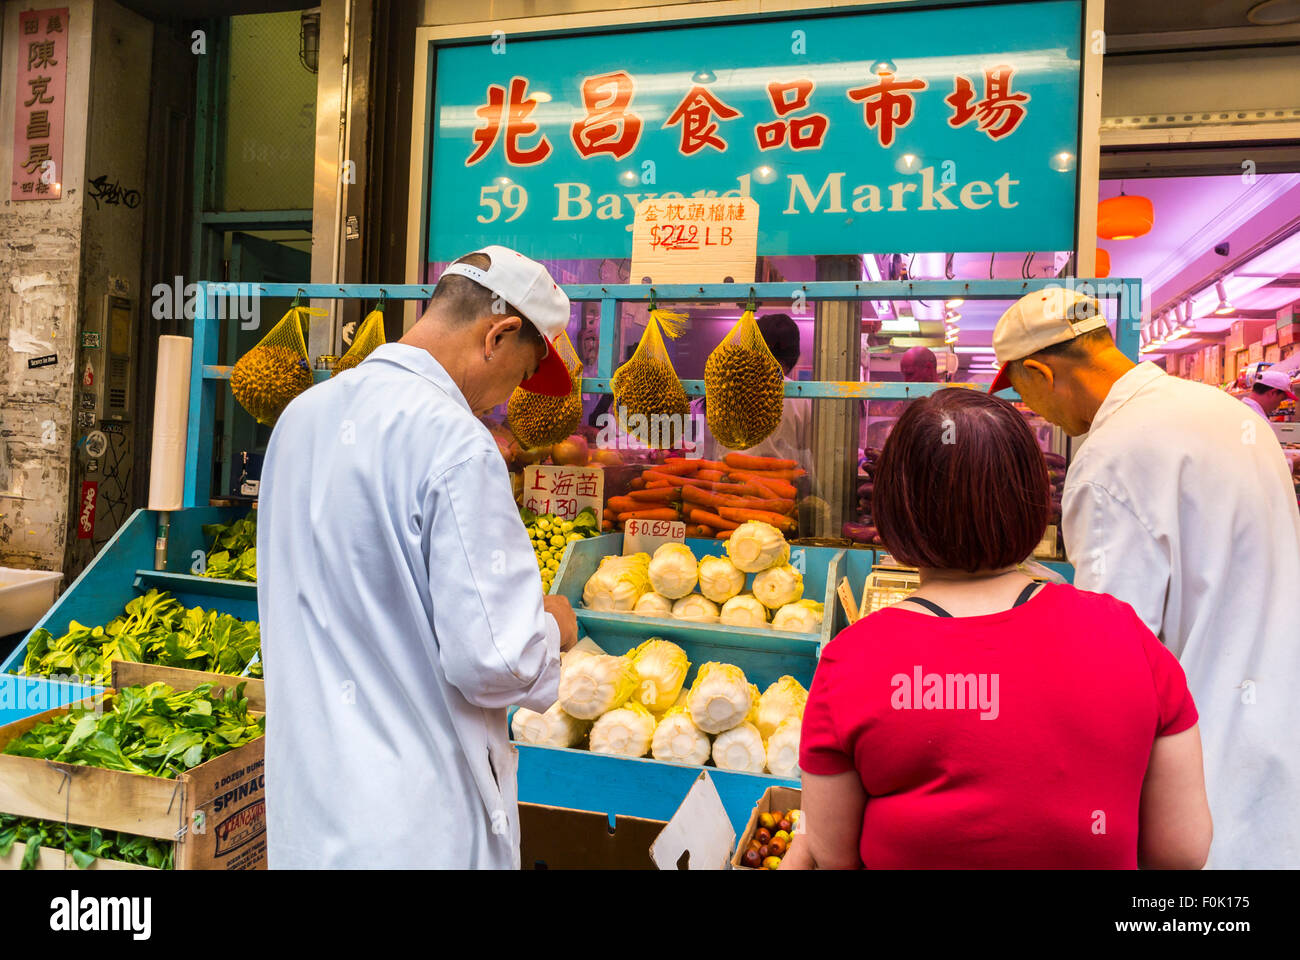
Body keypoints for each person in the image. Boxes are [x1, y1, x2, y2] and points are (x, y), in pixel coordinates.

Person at [784, 388, 1211, 869]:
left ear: (893, 509)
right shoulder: (1127, 635)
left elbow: (833, 856)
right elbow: (1182, 853)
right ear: (1034, 501)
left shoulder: (854, 660)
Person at [257, 245, 579, 868]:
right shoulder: (456, 441)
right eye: (520, 373)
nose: (506, 399)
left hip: (309, 814)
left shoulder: (304, 416)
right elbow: (496, 660)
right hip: (415, 825)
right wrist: (554, 626)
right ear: (500, 334)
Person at [990, 286, 1300, 869]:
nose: (1030, 408)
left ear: (1039, 370)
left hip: (1200, 790)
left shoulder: (1110, 460)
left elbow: (1112, 663)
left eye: (1022, 392)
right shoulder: (1228, 413)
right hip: (1279, 747)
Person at [694, 313, 812, 468]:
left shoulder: (728, 387)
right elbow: (808, 453)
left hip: (726, 483)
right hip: (779, 486)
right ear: (793, 355)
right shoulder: (800, 397)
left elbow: (706, 445)